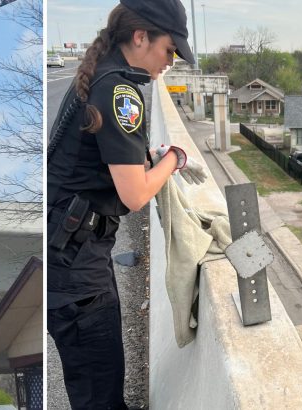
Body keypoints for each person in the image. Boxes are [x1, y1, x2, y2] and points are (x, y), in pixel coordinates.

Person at [46, 0, 208, 408]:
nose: (170, 61)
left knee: (96, 388)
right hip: (76, 269)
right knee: (100, 397)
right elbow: (134, 195)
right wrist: (174, 158)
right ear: (140, 37)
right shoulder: (120, 91)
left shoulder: (101, 77)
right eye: (169, 50)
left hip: (71, 257)